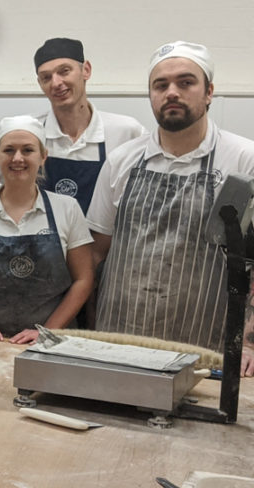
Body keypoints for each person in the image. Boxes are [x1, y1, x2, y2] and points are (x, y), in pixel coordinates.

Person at [88, 42, 254, 376]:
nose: (172, 92)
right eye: (160, 85)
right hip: (119, 339)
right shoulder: (122, 160)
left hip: (205, 345)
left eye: (186, 82)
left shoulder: (243, 160)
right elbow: (95, 254)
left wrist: (248, 341)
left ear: (209, 92)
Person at [0, 116, 94, 343]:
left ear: (43, 156)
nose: (17, 158)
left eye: (28, 150)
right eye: (8, 150)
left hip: (48, 342)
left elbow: (83, 279)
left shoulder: (67, 208)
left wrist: (47, 331)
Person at [0, 37, 145, 215]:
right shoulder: (25, 131)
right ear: (40, 84)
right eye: (46, 77)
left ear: (86, 70)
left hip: (101, 233)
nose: (56, 83)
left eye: (64, 71)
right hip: (39, 232)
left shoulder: (126, 132)